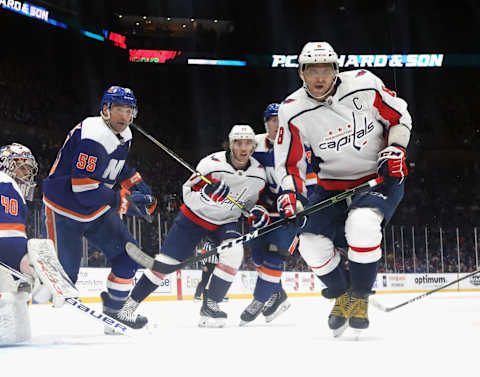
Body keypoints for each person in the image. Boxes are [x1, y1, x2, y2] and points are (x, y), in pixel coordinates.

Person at [274, 42, 412, 337]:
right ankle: (342, 294)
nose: (319, 77)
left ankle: (359, 297)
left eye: (326, 69)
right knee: (308, 240)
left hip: (377, 178)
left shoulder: (364, 84)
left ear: (337, 70)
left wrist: (396, 149)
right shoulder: (292, 110)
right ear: (301, 73)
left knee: (361, 224)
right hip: (330, 188)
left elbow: (399, 118)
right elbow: (290, 164)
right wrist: (290, 195)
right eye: (312, 70)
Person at [118, 125, 266, 328]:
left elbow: (250, 206)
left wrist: (256, 214)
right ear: (230, 144)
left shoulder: (259, 174)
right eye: (238, 143)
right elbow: (187, 192)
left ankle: (210, 305)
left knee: (234, 253)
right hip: (194, 218)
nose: (243, 148)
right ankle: (127, 308)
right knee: (163, 264)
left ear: (254, 146)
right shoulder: (211, 164)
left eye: (248, 143)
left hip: (225, 222)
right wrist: (206, 196)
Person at [41, 86, 157, 333]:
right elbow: (83, 189)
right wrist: (124, 202)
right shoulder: (93, 137)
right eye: (118, 109)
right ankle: (14, 288)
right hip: (64, 209)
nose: (124, 116)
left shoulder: (123, 135)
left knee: (128, 257)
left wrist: (136, 182)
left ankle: (116, 312)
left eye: (129, 110)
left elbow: (116, 166)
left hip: (95, 209)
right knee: (62, 280)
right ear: (105, 110)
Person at [0, 143, 79, 344]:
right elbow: (8, 234)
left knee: (19, 291)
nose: (26, 173)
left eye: (28, 168)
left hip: (12, 249)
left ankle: (15, 321)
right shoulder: (5, 181)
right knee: (20, 282)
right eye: (22, 166)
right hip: (9, 246)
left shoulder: (14, 189)